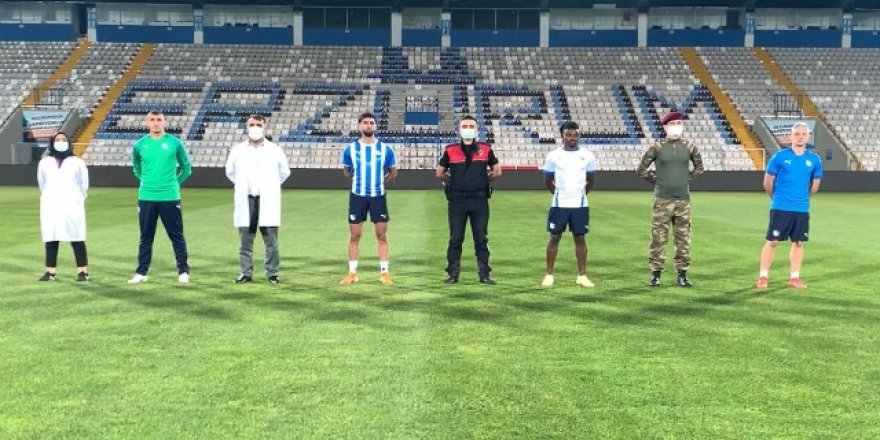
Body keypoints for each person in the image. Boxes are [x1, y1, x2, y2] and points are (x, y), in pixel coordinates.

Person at [636, 110, 704, 287]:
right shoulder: (657, 147)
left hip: (683, 200)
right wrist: (657, 180)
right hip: (662, 200)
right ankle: (655, 273)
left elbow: (699, 168)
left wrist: (685, 178)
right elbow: (641, 169)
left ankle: (682, 274)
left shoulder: (690, 147)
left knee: (683, 238)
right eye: (672, 124)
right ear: (665, 127)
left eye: (679, 123)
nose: (676, 127)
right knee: (658, 237)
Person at [128, 110, 193, 284]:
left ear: (164, 122)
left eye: (159, 119)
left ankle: (183, 270)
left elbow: (186, 168)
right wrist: (147, 182)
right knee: (146, 237)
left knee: (176, 235)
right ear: (147, 122)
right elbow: (136, 168)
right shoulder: (140, 145)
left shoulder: (174, 143)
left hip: (169, 196)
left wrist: (175, 184)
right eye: (152, 120)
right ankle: (141, 272)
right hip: (146, 196)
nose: (155, 123)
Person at [436, 115, 502, 284]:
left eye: (471, 126)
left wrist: (483, 181)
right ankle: (452, 273)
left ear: (476, 129)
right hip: (457, 201)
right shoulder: (450, 150)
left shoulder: (486, 149)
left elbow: (497, 171)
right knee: (455, 238)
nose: (468, 129)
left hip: (479, 201)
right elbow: (439, 173)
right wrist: (455, 182)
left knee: (481, 239)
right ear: (459, 129)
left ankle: (484, 274)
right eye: (464, 126)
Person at [756, 122, 822, 289]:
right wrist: (777, 198)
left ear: (808, 137)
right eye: (797, 134)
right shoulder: (779, 157)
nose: (800, 137)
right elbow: (767, 183)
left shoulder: (814, 160)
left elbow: (815, 186)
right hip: (780, 207)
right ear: (791, 137)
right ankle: (763, 276)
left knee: (799, 242)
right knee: (772, 241)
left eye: (803, 134)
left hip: (801, 209)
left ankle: (794, 277)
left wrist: (802, 199)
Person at [225, 114, 290, 285]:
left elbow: (285, 172)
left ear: (264, 127)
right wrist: (242, 185)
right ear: (247, 127)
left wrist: (271, 186)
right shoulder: (238, 150)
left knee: (271, 240)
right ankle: (245, 272)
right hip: (246, 199)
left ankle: (272, 273)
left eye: (258, 125)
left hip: (267, 199)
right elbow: (230, 172)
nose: (255, 127)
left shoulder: (274, 150)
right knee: (245, 240)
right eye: (252, 124)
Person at [339, 112, 398, 286]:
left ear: (376, 126)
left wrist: (380, 182)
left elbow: (392, 171)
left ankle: (384, 273)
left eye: (371, 122)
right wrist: (358, 182)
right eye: (365, 122)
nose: (368, 125)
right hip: (357, 197)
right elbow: (346, 171)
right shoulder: (350, 149)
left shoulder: (386, 149)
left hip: (378, 197)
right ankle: (352, 273)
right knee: (355, 235)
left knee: (381, 235)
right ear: (359, 126)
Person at [541, 121, 597, 288]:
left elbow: (591, 180)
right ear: (562, 136)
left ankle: (582, 276)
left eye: (575, 135)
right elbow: (548, 180)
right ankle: (549, 275)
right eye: (568, 135)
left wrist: (580, 195)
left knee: (580, 238)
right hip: (559, 205)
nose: (572, 138)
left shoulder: (588, 155)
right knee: (554, 238)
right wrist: (560, 195)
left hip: (580, 205)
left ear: (579, 136)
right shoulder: (553, 156)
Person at [37, 132, 89, 281]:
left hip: (72, 204)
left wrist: (77, 198)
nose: (61, 142)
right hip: (51, 205)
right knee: (51, 237)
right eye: (58, 140)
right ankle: (50, 272)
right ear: (52, 143)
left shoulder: (77, 162)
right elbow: (42, 183)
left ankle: (82, 271)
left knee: (76, 237)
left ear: (69, 142)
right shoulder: (44, 162)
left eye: (63, 139)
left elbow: (84, 184)